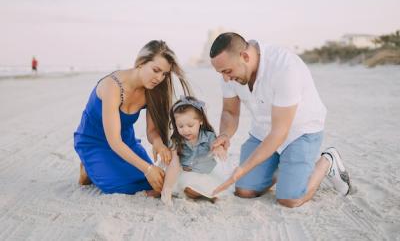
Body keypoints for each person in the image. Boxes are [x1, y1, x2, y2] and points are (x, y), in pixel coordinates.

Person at [209, 32, 351, 208]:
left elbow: (279, 132)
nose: (225, 78)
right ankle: (285, 168)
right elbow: (230, 112)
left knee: (290, 199)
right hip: (262, 133)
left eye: (227, 71)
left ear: (245, 56)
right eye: (221, 73)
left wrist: (242, 170)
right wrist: (224, 134)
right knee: (244, 191)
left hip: (299, 132)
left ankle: (327, 161)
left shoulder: (284, 67)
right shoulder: (230, 72)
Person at [74, 40, 191, 195]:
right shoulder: (113, 85)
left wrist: (158, 144)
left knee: (154, 181)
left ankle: (98, 168)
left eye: (164, 74)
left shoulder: (152, 89)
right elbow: (114, 141)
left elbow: (152, 130)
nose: (159, 78)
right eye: (156, 70)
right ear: (141, 63)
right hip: (95, 143)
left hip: (126, 143)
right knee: (119, 186)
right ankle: (87, 169)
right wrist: (148, 169)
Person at [161, 96, 227, 206]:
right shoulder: (176, 141)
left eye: (190, 125)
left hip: (202, 173)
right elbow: (174, 165)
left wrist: (219, 148)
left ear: (201, 121)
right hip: (182, 172)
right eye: (180, 126)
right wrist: (167, 188)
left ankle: (208, 195)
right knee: (166, 181)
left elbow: (215, 146)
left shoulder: (208, 136)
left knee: (193, 187)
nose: (185, 130)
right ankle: (188, 192)